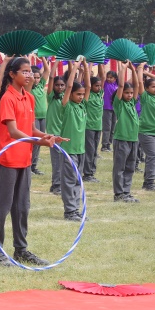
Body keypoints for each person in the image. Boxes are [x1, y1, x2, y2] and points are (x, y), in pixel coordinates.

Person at [0, 57, 61, 266]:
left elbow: (30, 129)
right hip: (8, 160)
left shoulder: (29, 97)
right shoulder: (7, 98)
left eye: (30, 72)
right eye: (25, 72)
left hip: (25, 160)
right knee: (2, 207)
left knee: (22, 207)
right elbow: (13, 131)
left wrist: (47, 136)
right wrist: (40, 142)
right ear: (12, 74)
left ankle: (21, 250)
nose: (30, 75)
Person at [59, 60, 90, 221]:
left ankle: (76, 210)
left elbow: (88, 86)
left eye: (82, 95)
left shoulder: (83, 106)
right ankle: (69, 211)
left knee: (78, 181)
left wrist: (86, 68)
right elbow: (70, 85)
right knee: (69, 181)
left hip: (80, 149)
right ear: (70, 94)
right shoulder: (67, 106)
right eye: (78, 94)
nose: (81, 97)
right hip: (69, 149)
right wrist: (76, 67)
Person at [111, 61, 140, 202]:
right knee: (120, 167)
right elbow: (121, 85)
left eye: (131, 93)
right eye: (127, 93)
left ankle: (126, 192)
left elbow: (137, 85)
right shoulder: (119, 104)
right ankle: (119, 194)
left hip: (133, 139)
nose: (129, 95)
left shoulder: (132, 103)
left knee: (130, 167)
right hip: (122, 139)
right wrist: (123, 69)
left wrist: (133, 70)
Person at [45, 59, 66, 195]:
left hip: (64, 132)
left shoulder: (66, 97)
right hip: (53, 133)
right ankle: (56, 185)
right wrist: (56, 62)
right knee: (56, 161)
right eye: (57, 85)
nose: (59, 87)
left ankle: (58, 184)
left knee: (64, 160)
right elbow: (51, 77)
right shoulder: (51, 97)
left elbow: (72, 84)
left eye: (62, 85)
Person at [83, 64, 104, 183]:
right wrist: (88, 66)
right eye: (96, 85)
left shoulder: (100, 94)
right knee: (89, 150)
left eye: (100, 86)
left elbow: (102, 76)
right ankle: (87, 173)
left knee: (95, 151)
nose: (99, 87)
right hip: (88, 127)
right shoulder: (88, 94)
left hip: (98, 127)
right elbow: (87, 84)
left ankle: (91, 172)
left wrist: (100, 62)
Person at [29, 61, 50, 175]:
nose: (36, 80)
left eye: (38, 78)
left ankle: (34, 166)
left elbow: (47, 71)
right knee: (34, 142)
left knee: (40, 142)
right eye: (34, 77)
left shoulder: (41, 85)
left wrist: (43, 58)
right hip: (35, 118)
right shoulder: (29, 88)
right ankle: (29, 165)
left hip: (43, 117)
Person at [138, 66, 155, 191]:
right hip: (146, 132)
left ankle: (148, 181)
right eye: (153, 86)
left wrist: (149, 73)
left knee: (153, 156)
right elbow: (140, 81)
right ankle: (149, 183)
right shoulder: (145, 97)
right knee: (152, 155)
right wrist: (140, 68)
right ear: (147, 88)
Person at [101, 69, 119, 152]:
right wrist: (102, 64)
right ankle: (104, 145)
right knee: (107, 128)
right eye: (108, 77)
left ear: (115, 78)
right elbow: (102, 74)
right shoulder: (106, 84)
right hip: (106, 108)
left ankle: (109, 144)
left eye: (111, 77)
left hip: (114, 109)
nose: (109, 79)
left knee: (113, 128)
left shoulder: (117, 85)